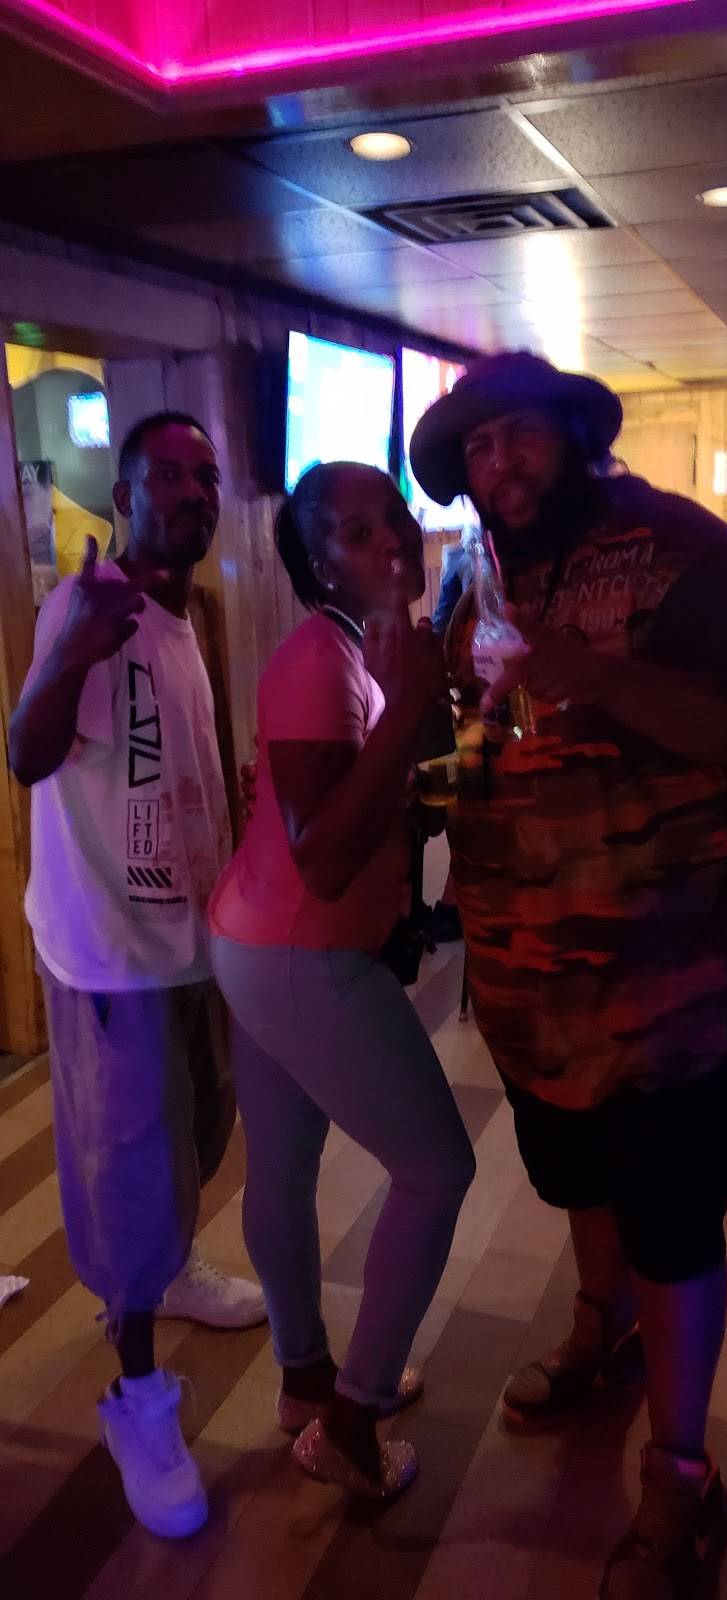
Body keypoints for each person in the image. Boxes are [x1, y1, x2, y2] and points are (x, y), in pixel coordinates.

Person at [410, 352, 727, 1600]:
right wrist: (424, 776)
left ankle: (680, 1472)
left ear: (573, 430)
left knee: (672, 1219)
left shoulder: (687, 553)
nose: (496, 464)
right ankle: (599, 1323)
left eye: (514, 434)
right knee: (577, 1176)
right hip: (529, 982)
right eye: (474, 451)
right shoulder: (484, 579)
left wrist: (608, 675)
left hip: (666, 985)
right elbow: (479, 743)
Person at [10, 412, 266, 1540]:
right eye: (167, 473)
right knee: (126, 1174)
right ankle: (136, 1396)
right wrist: (72, 648)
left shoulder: (180, 614)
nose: (193, 491)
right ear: (122, 495)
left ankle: (169, 1269)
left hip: (189, 941)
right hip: (111, 953)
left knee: (199, 1129)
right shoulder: (86, 606)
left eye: (206, 475)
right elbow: (25, 752)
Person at [209, 460, 475, 1501]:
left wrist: (424, 728)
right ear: (319, 562)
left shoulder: (362, 649)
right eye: (361, 532)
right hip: (298, 952)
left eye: (397, 518)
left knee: (281, 1166)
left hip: (262, 941)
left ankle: (306, 1382)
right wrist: (409, 709)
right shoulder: (317, 660)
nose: (395, 540)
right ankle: (351, 1425)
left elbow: (371, 804)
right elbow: (322, 855)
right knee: (437, 1169)